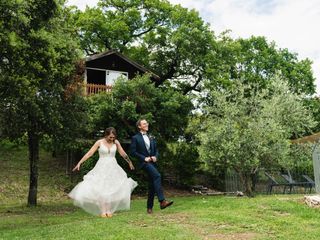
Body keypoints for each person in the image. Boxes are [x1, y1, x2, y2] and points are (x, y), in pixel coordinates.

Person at [69, 127, 137, 218]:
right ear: (106, 135)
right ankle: (103, 210)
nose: (112, 139)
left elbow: (122, 153)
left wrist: (129, 162)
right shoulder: (99, 142)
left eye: (113, 137)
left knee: (110, 188)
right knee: (101, 188)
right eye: (110, 137)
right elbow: (89, 153)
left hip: (113, 168)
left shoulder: (116, 142)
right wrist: (80, 162)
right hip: (101, 167)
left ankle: (108, 210)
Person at [130, 119, 173, 214]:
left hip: (153, 163)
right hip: (144, 163)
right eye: (144, 123)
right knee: (157, 176)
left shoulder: (151, 136)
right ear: (139, 126)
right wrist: (143, 158)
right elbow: (133, 152)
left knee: (152, 185)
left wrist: (155, 156)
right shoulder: (135, 138)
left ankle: (149, 208)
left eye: (147, 123)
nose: (147, 124)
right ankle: (162, 201)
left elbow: (156, 150)